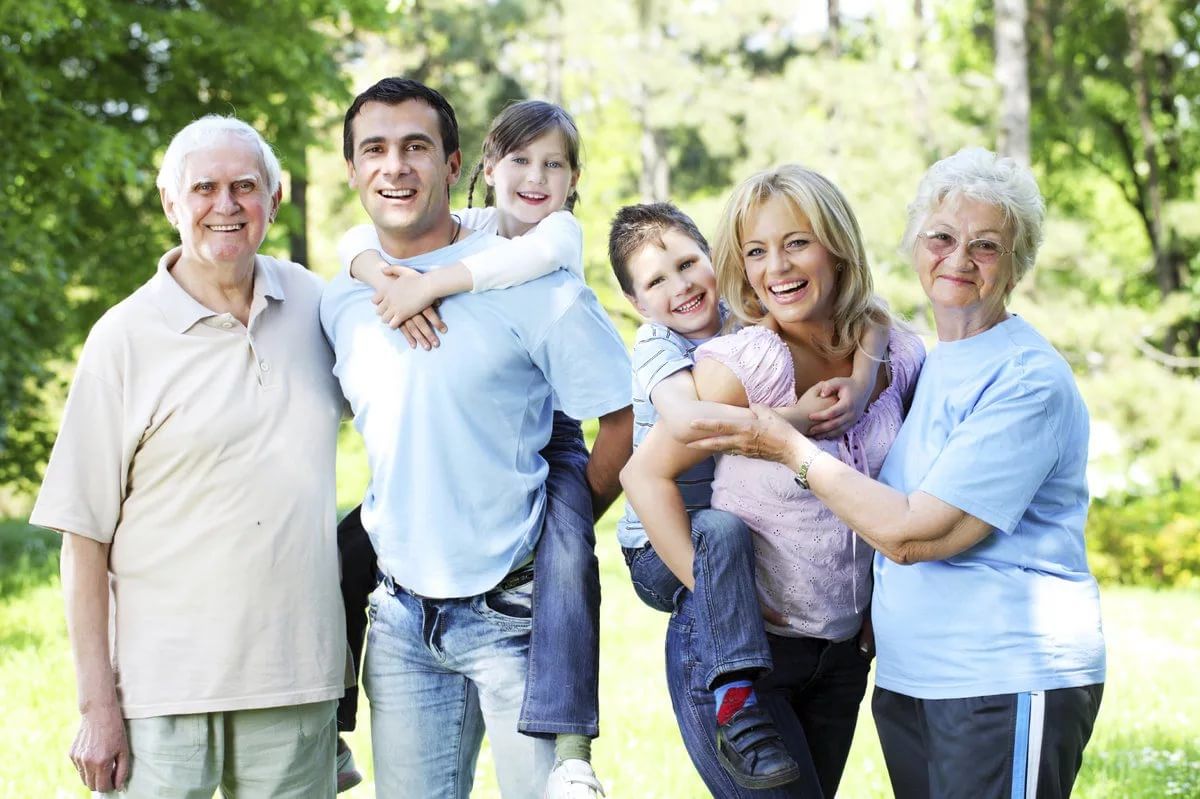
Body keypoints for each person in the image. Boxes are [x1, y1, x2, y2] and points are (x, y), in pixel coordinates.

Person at [689, 148, 1106, 799]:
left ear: (1017, 263)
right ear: (917, 247)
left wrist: (790, 445)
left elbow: (916, 535)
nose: (959, 258)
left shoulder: (1025, 378)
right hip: (912, 679)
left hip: (1002, 674)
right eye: (941, 237)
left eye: (986, 245)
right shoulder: (931, 361)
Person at [321, 77, 632, 799]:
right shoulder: (341, 296)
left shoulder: (537, 280)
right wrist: (375, 268)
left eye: (416, 147)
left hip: (515, 618)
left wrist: (558, 525)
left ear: (455, 163)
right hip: (397, 619)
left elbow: (621, 420)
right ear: (352, 169)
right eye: (375, 149)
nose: (394, 166)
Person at [29, 116, 346, 798]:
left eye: (245, 186)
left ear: (275, 198)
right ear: (172, 202)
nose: (225, 205)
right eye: (204, 187)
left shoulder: (320, 307)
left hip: (295, 684)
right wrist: (97, 707)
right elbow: (82, 537)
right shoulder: (122, 338)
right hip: (159, 698)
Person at [622, 165, 925, 798]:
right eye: (757, 251)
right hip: (745, 660)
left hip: (843, 656)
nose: (776, 267)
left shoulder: (896, 351)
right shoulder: (739, 365)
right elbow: (643, 473)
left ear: (836, 244)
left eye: (796, 242)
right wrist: (710, 595)